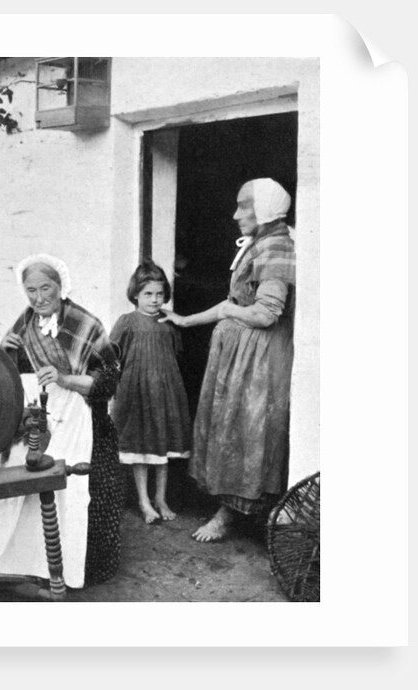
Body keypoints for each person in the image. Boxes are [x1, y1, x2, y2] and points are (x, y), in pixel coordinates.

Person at [0, 254, 123, 589]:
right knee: (8, 468)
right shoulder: (24, 323)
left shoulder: (85, 323)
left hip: (82, 417)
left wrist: (65, 379)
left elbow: (109, 381)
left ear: (61, 287)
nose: (38, 297)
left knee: (70, 481)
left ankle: (64, 565)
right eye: (30, 290)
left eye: (45, 288)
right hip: (36, 415)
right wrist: (4, 353)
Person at [160, 178, 296, 542]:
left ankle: (233, 515)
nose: (236, 215)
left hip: (259, 355)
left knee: (248, 431)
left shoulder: (277, 246)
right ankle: (233, 509)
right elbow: (238, 304)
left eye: (243, 206)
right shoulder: (263, 243)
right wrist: (187, 320)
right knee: (231, 427)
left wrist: (224, 310)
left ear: (264, 209)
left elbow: (267, 312)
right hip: (242, 351)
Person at [110, 259, 191, 525]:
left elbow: (175, 354)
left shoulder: (169, 322)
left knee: (163, 445)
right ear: (135, 294)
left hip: (165, 391)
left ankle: (161, 498)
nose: (155, 300)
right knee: (141, 446)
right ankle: (144, 501)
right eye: (148, 294)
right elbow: (111, 356)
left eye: (159, 294)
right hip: (137, 392)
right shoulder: (127, 322)